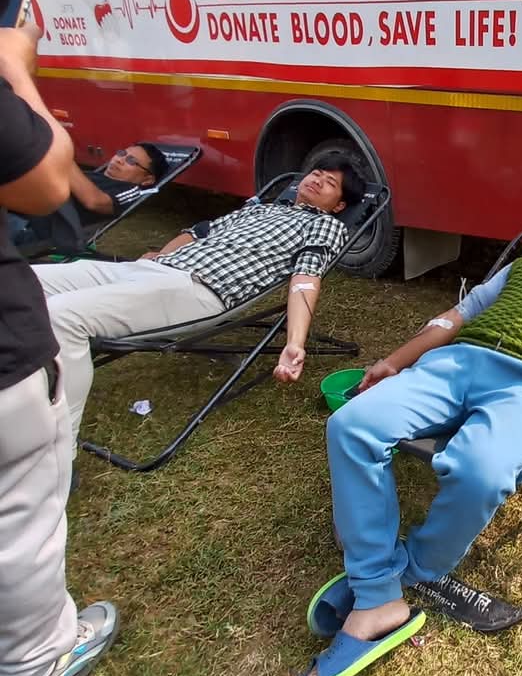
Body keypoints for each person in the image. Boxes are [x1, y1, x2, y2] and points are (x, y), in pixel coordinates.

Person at [293, 207, 522, 676]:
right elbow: (456, 316)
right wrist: (394, 362)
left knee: (481, 473)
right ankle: (380, 591)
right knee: (352, 424)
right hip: (454, 365)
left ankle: (398, 577)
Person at [32, 154, 365, 455]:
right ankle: (18, 391)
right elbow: (197, 232)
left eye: (330, 183)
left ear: (338, 205)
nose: (317, 180)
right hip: (153, 270)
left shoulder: (325, 224)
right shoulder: (262, 208)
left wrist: (294, 342)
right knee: (24, 280)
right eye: (317, 173)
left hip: (196, 289)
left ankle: (58, 450)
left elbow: (306, 277)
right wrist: (162, 254)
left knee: (62, 315)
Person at [0, 22, 117, 676]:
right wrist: (17, 69)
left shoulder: (312, 233)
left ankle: (29, 666)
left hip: (181, 279)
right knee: (19, 517)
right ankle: (38, 660)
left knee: (66, 313)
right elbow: (44, 182)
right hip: (9, 360)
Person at [6, 142, 169, 251]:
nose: (120, 160)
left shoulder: (129, 190)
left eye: (131, 161)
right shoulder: (92, 176)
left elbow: (95, 202)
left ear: (148, 179)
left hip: (32, 228)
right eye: (122, 153)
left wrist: (63, 158)